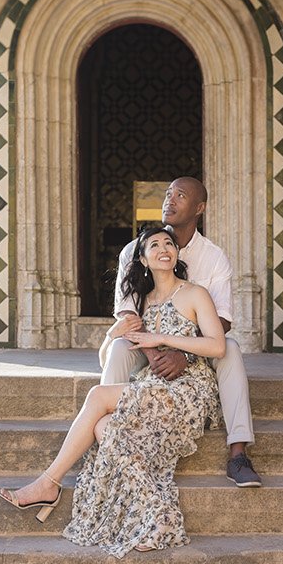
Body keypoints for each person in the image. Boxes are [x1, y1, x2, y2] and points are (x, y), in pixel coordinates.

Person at [0, 226, 225, 555]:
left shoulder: (195, 293)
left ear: (177, 254)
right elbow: (107, 358)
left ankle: (48, 482)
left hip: (189, 389)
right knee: (104, 427)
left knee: (97, 397)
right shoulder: (142, 303)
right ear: (144, 259)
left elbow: (217, 346)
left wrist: (161, 339)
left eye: (169, 244)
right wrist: (112, 334)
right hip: (153, 389)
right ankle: (160, 516)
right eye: (154, 245)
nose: (164, 248)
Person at [99, 176, 262, 488]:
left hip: (196, 347)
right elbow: (128, 312)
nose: (169, 201)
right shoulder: (135, 250)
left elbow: (223, 320)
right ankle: (107, 440)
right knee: (120, 347)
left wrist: (183, 353)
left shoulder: (214, 257)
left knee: (231, 349)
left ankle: (238, 452)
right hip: (147, 344)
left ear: (199, 208)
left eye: (180, 195)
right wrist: (153, 353)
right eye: (167, 194)